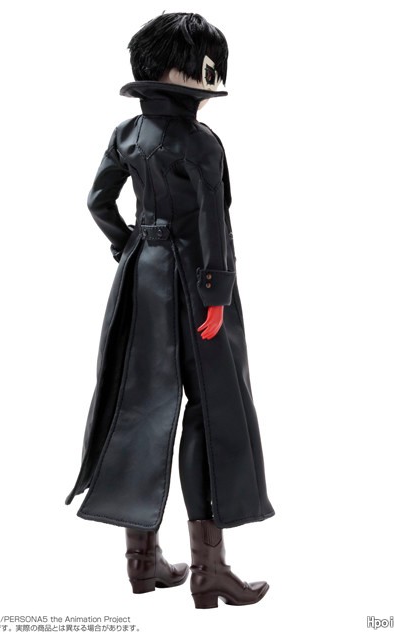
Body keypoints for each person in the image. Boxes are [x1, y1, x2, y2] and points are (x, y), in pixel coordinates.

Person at [65, 12, 275, 609]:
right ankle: (210, 570)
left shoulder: (127, 134)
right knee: (214, 409)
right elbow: (213, 225)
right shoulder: (200, 142)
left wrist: (128, 247)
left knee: (137, 407)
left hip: (140, 280)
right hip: (196, 286)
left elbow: (98, 202)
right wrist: (216, 293)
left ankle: (142, 562)